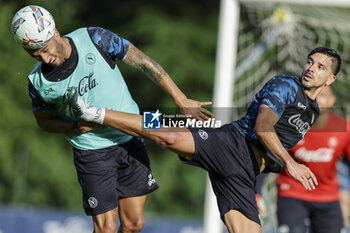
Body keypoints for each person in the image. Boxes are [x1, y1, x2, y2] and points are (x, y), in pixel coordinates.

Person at [64, 46, 341, 233]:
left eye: (320, 66)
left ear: (331, 79)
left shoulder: (313, 109)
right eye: (309, 61)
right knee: (168, 134)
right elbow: (262, 127)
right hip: (231, 144)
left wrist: (259, 184)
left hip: (242, 175)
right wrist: (290, 164)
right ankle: (93, 112)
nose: (310, 68)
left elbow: (271, 154)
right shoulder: (286, 86)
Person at [11, 5, 213, 233]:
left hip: (130, 137)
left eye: (45, 49)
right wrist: (77, 126)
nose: (45, 58)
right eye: (35, 54)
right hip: (92, 152)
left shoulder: (95, 38)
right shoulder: (38, 84)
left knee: (134, 224)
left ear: (56, 32)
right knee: (106, 228)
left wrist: (180, 98)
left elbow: (144, 62)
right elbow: (44, 122)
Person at [276, 85, 350, 233]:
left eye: (322, 96)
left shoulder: (344, 128)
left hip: (327, 196)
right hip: (292, 192)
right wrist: (256, 191)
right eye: (314, 95)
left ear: (332, 100)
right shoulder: (290, 125)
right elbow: (268, 157)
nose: (317, 100)